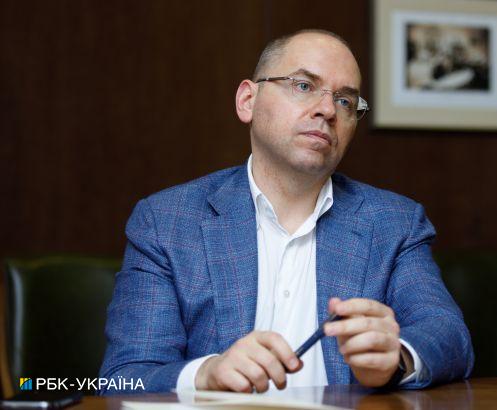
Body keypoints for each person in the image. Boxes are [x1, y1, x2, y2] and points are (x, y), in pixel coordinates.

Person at [99, 29, 473, 395]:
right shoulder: (167, 221)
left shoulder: (394, 222)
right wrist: (205, 374)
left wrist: (396, 359)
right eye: (304, 86)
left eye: (345, 101)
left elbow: (449, 335)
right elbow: (123, 377)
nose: (328, 110)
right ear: (248, 101)